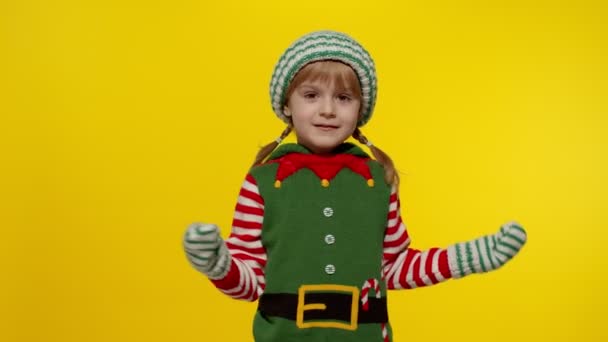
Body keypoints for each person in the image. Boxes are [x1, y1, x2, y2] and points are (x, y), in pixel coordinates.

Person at [183, 30, 527, 342]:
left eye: (344, 98)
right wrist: (217, 262)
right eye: (311, 95)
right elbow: (249, 282)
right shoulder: (262, 182)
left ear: (361, 109)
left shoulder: (378, 181)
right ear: (287, 104)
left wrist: (470, 257)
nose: (328, 110)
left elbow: (394, 267)